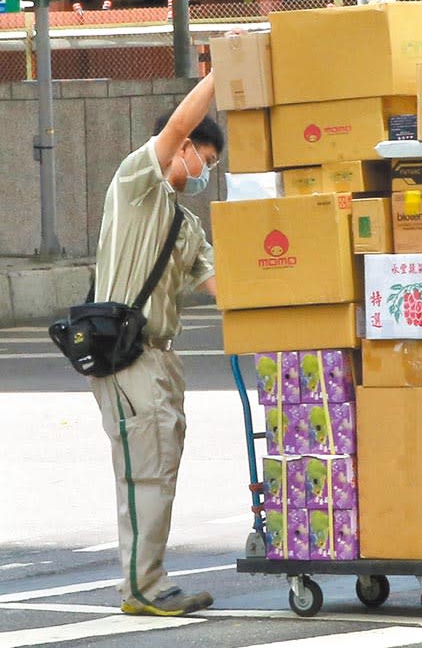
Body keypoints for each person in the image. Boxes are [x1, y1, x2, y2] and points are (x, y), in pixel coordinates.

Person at [89, 70, 223, 617]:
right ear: (184, 148)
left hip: (163, 359)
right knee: (145, 471)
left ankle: (150, 580)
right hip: (128, 358)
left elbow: (222, 286)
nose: (204, 173)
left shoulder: (184, 223)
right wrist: (221, 74)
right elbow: (177, 123)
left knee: (159, 470)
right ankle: (143, 587)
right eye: (205, 160)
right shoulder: (135, 185)